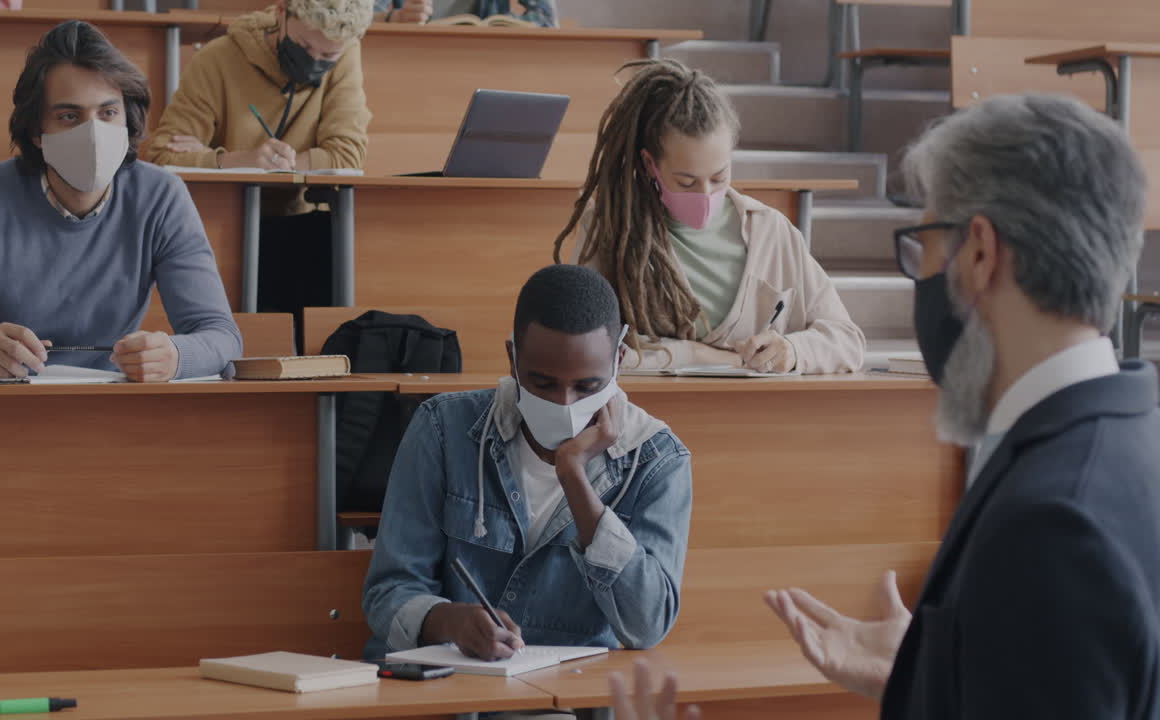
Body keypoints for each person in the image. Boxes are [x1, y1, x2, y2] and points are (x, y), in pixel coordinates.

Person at [629, 93, 1160, 718]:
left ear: (981, 252)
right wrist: (942, 674)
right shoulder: (1131, 439)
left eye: (925, 242)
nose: (921, 275)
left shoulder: (1054, 527)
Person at [363, 264, 692, 666]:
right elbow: (388, 591)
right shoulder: (443, 429)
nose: (565, 404)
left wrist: (574, 479)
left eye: (587, 386)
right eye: (543, 384)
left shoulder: (657, 461)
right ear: (512, 359)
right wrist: (450, 621)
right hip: (442, 686)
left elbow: (647, 625)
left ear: (618, 361)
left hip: (561, 698)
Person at [0, 20, 241, 381]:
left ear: (127, 121)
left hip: (110, 407)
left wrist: (177, 355)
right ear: (37, 131)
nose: (94, 133)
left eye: (108, 113)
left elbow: (222, 336)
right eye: (69, 116)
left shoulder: (161, 197)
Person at [556, 59, 864, 375]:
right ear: (650, 164)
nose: (704, 194)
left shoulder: (771, 231)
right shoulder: (611, 226)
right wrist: (702, 355)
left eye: (719, 177)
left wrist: (794, 350)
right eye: (686, 181)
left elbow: (847, 340)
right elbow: (585, 347)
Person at [143, 0, 372, 315]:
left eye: (328, 56)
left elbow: (348, 156)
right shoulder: (219, 57)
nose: (314, 61)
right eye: (305, 45)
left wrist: (281, 165)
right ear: (281, 14)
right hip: (221, 224)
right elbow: (162, 154)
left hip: (302, 223)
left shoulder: (347, 52)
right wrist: (239, 160)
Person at [372, 0, 555, 27]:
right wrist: (394, 18)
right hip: (411, 57)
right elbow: (354, 19)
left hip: (488, 59)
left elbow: (546, 20)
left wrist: (507, 24)